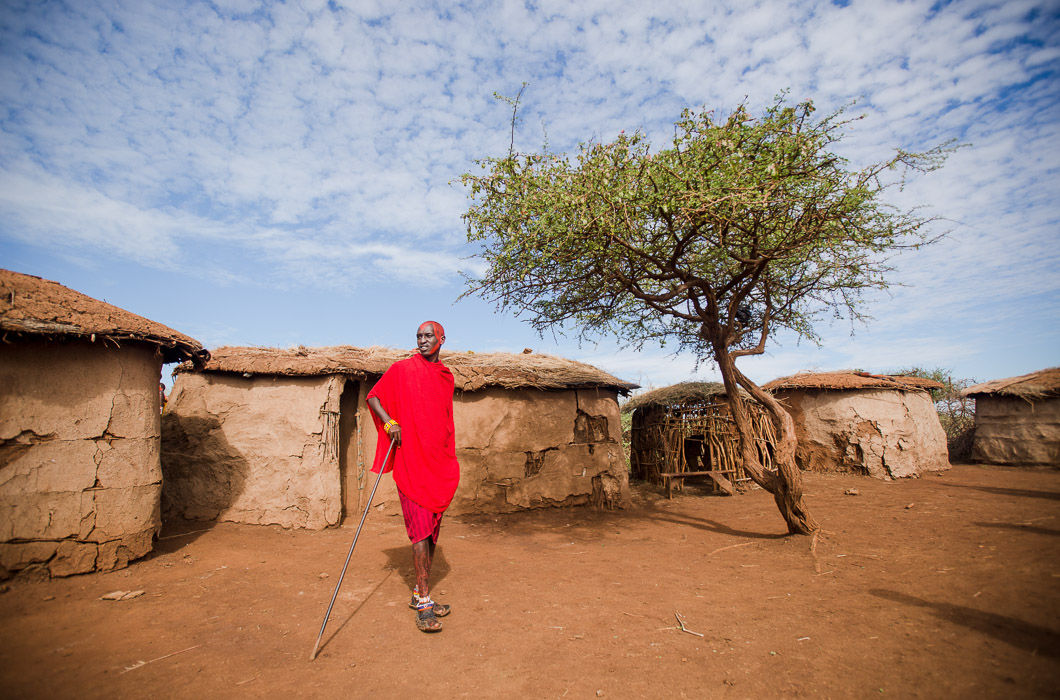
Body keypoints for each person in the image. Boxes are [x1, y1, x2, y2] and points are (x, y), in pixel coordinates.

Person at [367, 321, 460, 633]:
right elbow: (374, 397)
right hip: (412, 463)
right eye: (418, 336)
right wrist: (389, 422)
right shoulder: (402, 370)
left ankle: (422, 594)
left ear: (441, 339)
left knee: (432, 532)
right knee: (419, 533)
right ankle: (423, 607)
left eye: (428, 335)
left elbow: (445, 420)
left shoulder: (446, 377)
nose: (422, 340)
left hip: (438, 464)